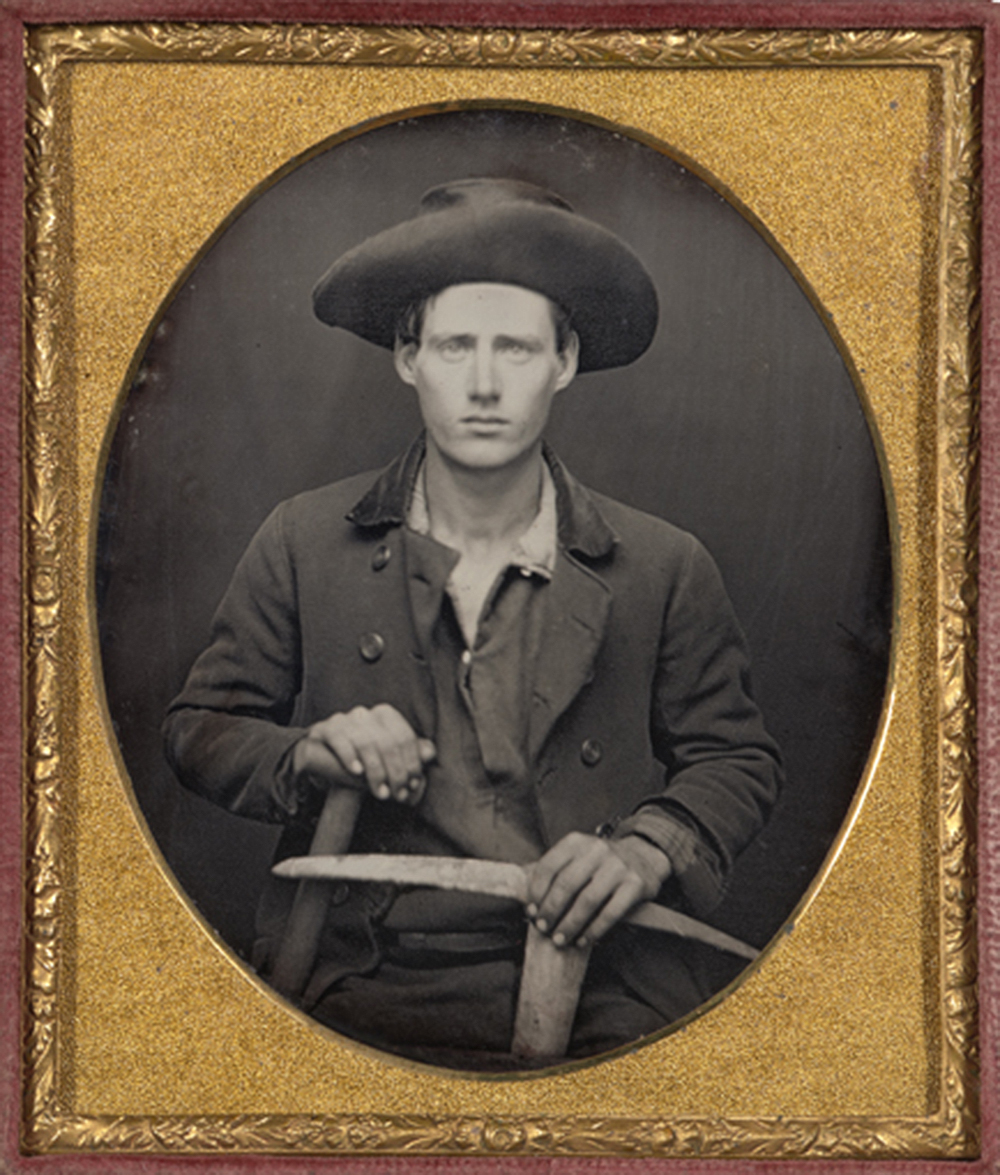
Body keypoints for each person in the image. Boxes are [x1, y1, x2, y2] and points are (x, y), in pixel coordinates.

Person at [163, 178, 782, 1068]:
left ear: (564, 361)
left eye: (516, 348)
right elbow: (198, 728)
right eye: (456, 346)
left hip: (605, 979)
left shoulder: (663, 563)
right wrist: (309, 752)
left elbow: (737, 757)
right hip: (359, 974)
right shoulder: (303, 539)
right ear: (407, 356)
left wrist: (647, 851)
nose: (485, 384)